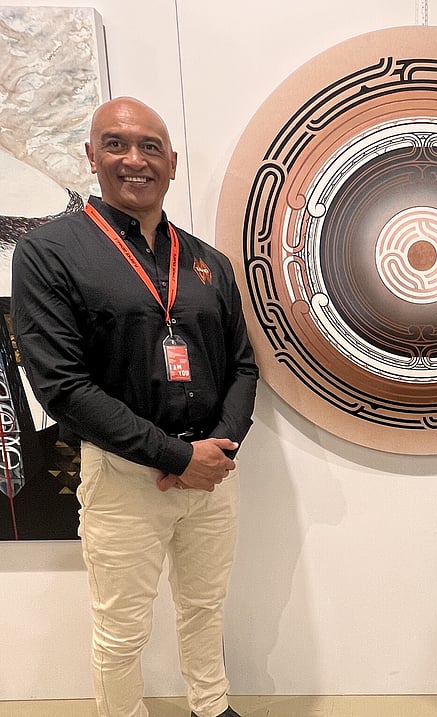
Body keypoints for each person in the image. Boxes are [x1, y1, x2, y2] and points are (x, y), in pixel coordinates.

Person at [11, 97, 259, 717]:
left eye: (150, 147)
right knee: (121, 630)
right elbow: (62, 386)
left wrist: (217, 450)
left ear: (172, 162)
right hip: (125, 476)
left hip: (213, 473)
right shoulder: (49, 253)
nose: (134, 159)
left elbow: (242, 366)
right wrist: (175, 456)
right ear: (91, 156)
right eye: (116, 144)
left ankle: (211, 706)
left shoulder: (208, 262)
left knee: (204, 609)